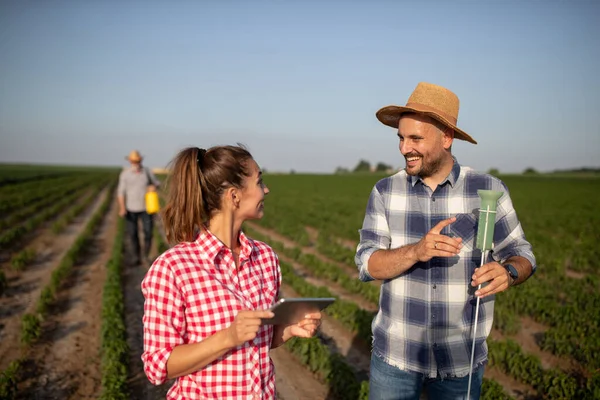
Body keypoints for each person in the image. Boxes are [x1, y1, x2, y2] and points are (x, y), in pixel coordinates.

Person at [355, 82, 536, 400]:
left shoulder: (487, 190)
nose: (403, 148)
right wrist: (416, 251)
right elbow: (367, 263)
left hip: (460, 360)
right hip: (396, 359)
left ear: (447, 138)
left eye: (415, 138)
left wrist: (508, 272)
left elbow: (522, 254)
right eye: (400, 137)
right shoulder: (385, 191)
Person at [141, 145, 322, 399]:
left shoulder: (265, 258)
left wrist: (290, 329)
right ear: (234, 196)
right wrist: (227, 337)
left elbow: (258, 342)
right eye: (259, 181)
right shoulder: (173, 268)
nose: (266, 189)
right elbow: (157, 366)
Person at [117, 150, 161, 266]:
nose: (135, 163)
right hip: (130, 209)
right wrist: (122, 208)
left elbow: (157, 183)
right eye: (133, 161)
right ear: (130, 161)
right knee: (132, 234)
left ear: (140, 161)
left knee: (148, 233)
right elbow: (120, 192)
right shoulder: (125, 174)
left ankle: (145, 256)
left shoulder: (147, 172)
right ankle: (136, 257)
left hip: (147, 208)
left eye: (137, 161)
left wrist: (154, 186)